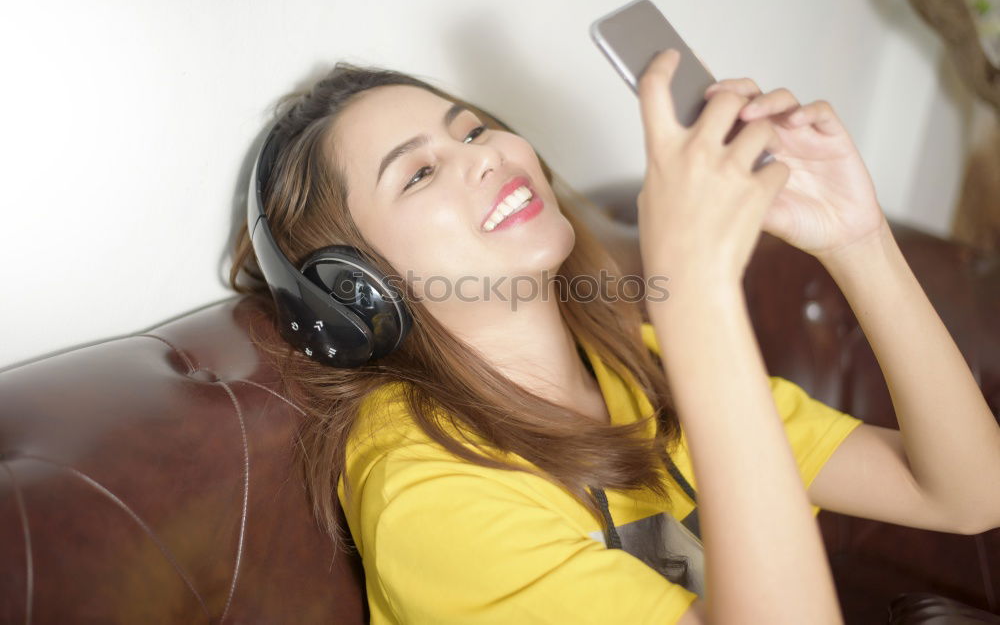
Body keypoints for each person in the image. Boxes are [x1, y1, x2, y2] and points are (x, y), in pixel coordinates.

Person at [228, 50, 1000, 624]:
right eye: (419, 174)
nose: (487, 156)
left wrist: (857, 240)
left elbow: (969, 490)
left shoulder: (633, 362)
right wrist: (699, 297)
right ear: (352, 294)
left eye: (475, 131)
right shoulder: (429, 498)